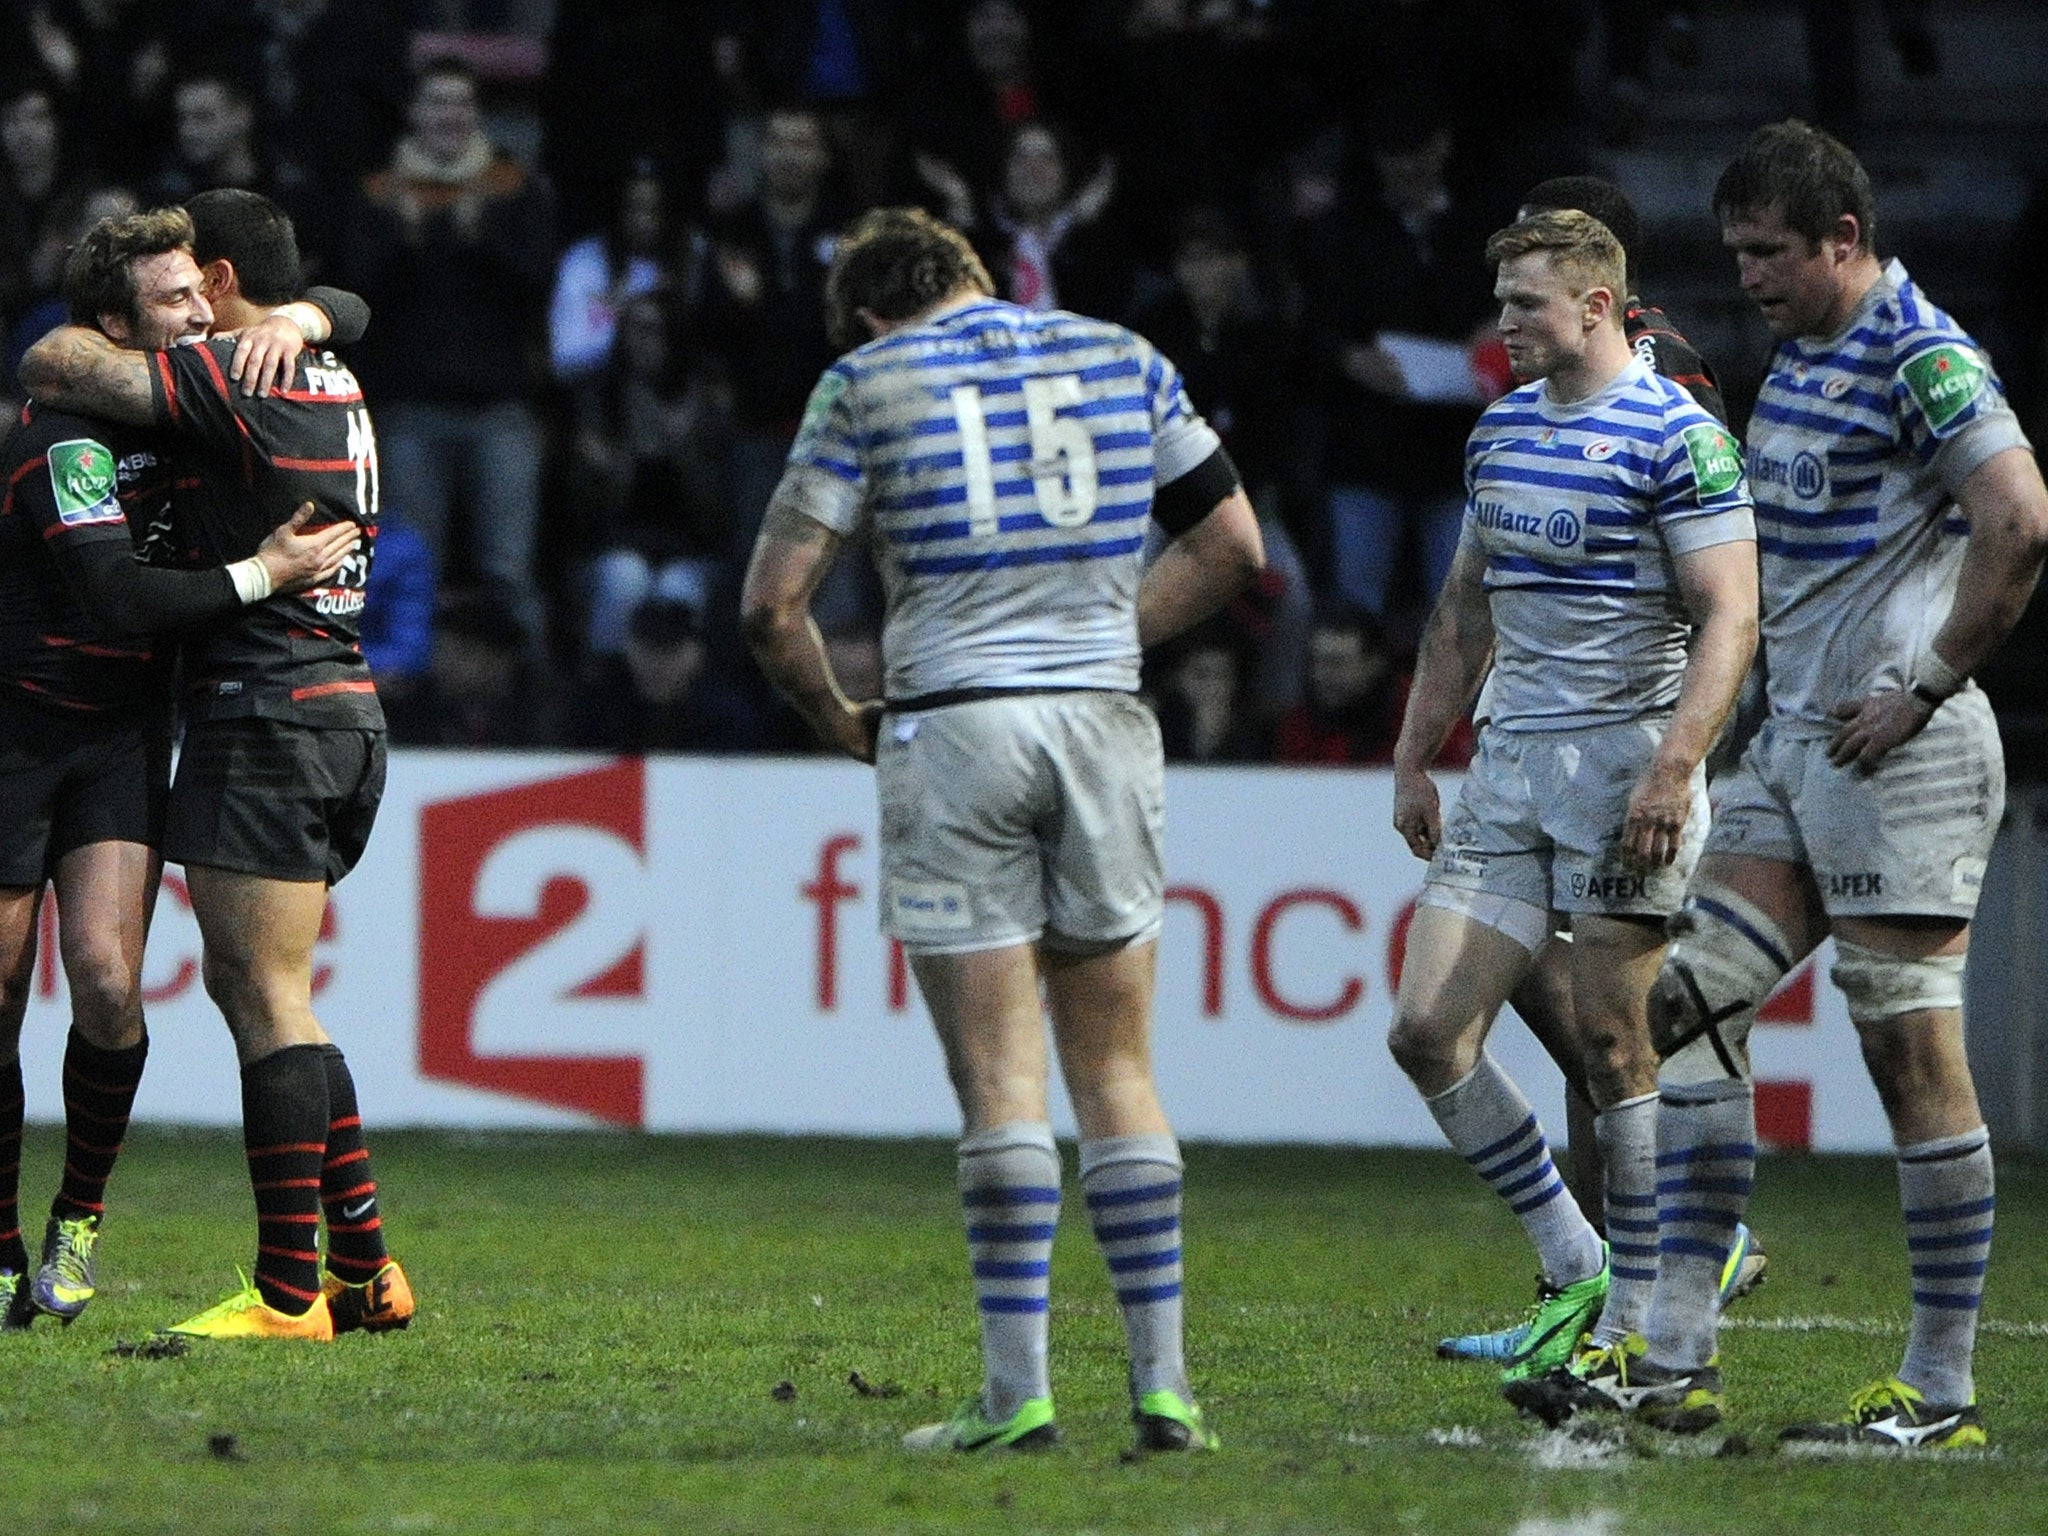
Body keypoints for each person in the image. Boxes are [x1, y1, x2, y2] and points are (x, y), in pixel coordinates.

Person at [1515, 121, 2048, 1450]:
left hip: (1900, 753)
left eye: (1770, 253)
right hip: (1798, 750)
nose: (1748, 276)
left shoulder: (1920, 355)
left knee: (1907, 1046)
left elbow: (2021, 517)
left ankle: (1938, 1392)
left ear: (1845, 240)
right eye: (1738, 252)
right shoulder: (1806, 357)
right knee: (1679, 1007)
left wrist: (1922, 681)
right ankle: (1672, 1355)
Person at [741, 207, 1263, 1454]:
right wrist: (1093, 643)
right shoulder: (1121, 355)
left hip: (951, 728)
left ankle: (1015, 1393)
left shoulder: (864, 380)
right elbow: (1232, 547)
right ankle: (1163, 1390)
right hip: (1099, 726)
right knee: (1119, 1071)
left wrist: (838, 719)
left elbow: (772, 607)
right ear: (975, 281)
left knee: (998, 1080)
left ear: (869, 310)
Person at [21, 187, 417, 1343]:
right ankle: (367, 1269)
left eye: (200, 281)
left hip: (269, 713)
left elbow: (58, 365)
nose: (192, 303)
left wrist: (285, 315)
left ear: (231, 285)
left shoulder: (237, 373)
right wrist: (320, 314)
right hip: (336, 708)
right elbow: (351, 311)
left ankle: (288, 1294)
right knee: (274, 993)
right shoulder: (323, 371)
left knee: (265, 1000)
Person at [1385, 210, 1758, 1392]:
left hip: (1621, 773)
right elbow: (1461, 613)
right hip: (1505, 772)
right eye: (1500, 301)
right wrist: (1411, 754)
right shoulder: (1496, 433)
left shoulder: (1675, 437)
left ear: (1596, 307)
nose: (1503, 324)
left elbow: (1728, 620)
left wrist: (1671, 767)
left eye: (1525, 303)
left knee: (1608, 1044)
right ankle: (1576, 1256)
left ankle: (1634, 1327)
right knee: (1423, 1031)